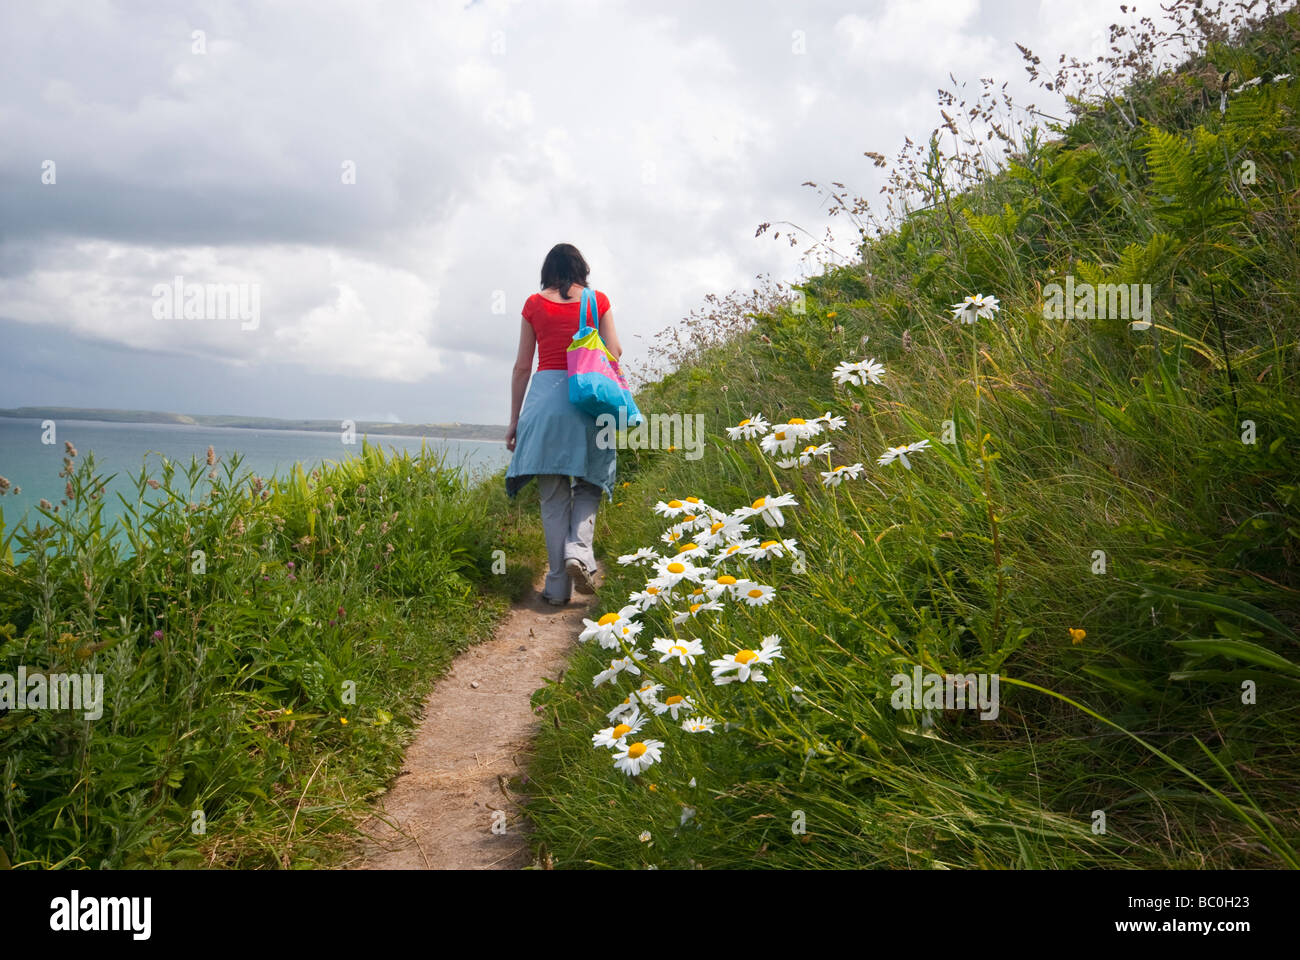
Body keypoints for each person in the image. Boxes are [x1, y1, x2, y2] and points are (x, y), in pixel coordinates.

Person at [505, 243, 623, 605]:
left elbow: (524, 366)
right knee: (589, 484)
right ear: (581, 270)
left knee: (552, 498)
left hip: (544, 406)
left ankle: (556, 588)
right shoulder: (597, 301)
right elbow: (614, 352)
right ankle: (579, 551)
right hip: (587, 400)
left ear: (547, 271)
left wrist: (514, 421)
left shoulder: (533, 305)